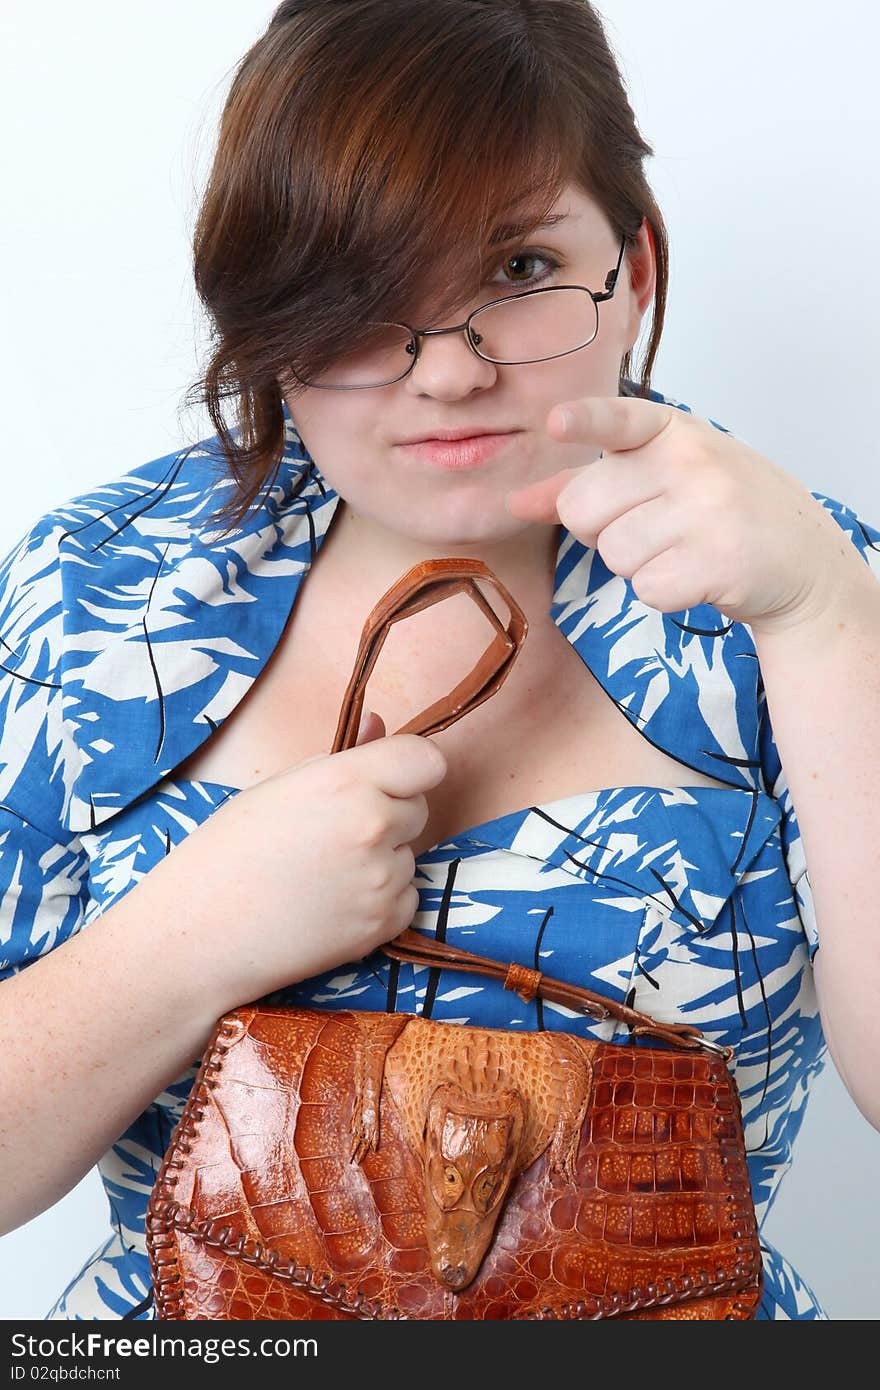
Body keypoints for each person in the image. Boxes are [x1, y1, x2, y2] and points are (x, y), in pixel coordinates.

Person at [1, 0, 878, 1322]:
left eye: (520, 268)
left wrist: (824, 619)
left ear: (634, 264)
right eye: (361, 294)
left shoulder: (809, 574)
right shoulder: (102, 592)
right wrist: (183, 942)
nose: (451, 373)